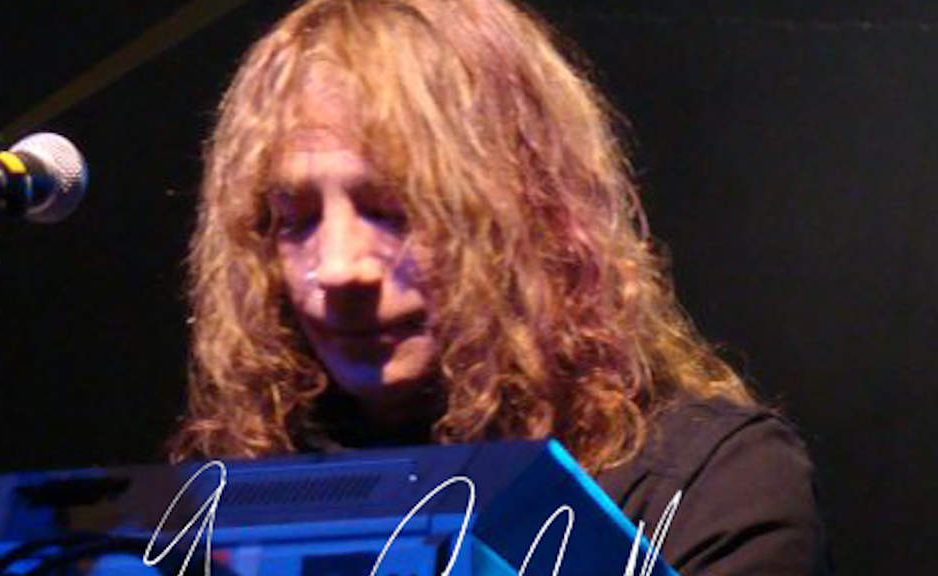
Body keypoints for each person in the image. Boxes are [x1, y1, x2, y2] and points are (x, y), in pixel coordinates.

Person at [170, 0, 830, 573]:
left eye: (396, 208)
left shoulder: (711, 488)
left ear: (531, 207)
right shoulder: (222, 504)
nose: (340, 267)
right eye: (295, 218)